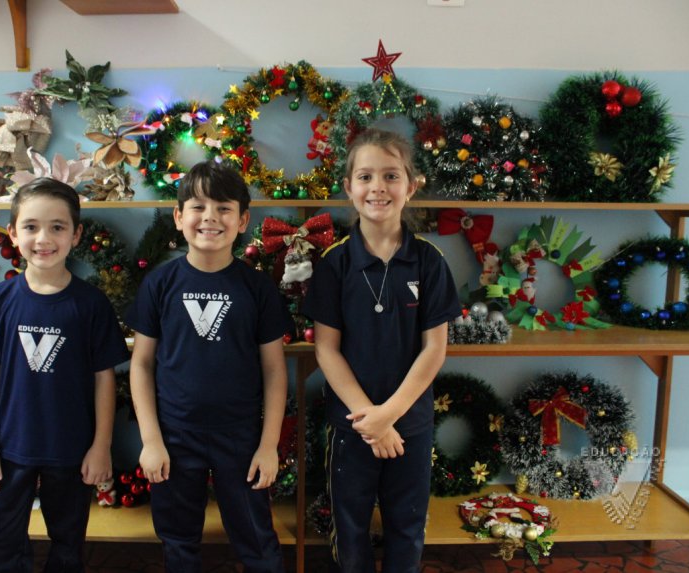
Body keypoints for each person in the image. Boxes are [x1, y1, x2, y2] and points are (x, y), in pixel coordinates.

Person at [303, 129, 461, 573]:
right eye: (365, 176)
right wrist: (369, 420)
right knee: (349, 527)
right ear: (349, 187)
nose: (378, 187)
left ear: (411, 186)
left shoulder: (429, 261)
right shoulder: (335, 263)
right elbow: (327, 351)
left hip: (410, 425)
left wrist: (389, 415)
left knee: (407, 528)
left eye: (391, 176)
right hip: (351, 426)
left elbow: (434, 350)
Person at [127, 160, 288, 573]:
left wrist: (268, 446)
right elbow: (141, 365)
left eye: (223, 208)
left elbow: (274, 370)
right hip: (174, 436)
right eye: (198, 207)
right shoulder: (159, 284)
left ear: (243, 220)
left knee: (257, 540)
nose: (210, 218)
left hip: (241, 437)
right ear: (179, 217)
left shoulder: (257, 288)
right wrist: (151, 440)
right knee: (178, 541)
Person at [0, 177, 130, 573]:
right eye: (31, 226)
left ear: (75, 235)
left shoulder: (91, 304)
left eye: (57, 227)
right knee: (1, 546)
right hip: (8, 449)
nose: (43, 238)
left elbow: (104, 379)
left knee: (68, 547)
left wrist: (101, 446)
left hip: (71, 450)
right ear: (13, 233)